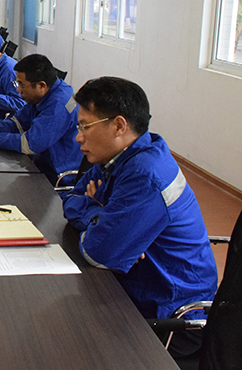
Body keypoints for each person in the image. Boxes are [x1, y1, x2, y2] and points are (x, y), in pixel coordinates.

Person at [58, 77, 217, 362]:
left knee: (65, 343)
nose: (78, 137)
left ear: (119, 126)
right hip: (133, 284)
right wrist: (99, 214)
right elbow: (71, 199)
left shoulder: (145, 173)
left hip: (170, 313)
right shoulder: (116, 157)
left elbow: (98, 253)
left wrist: (102, 222)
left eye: (85, 126)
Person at [0, 54, 81, 184]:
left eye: (22, 85)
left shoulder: (58, 106)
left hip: (55, 175)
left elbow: (30, 145)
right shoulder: (41, 95)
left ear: (41, 86)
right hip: (40, 162)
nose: (18, 90)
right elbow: (18, 122)